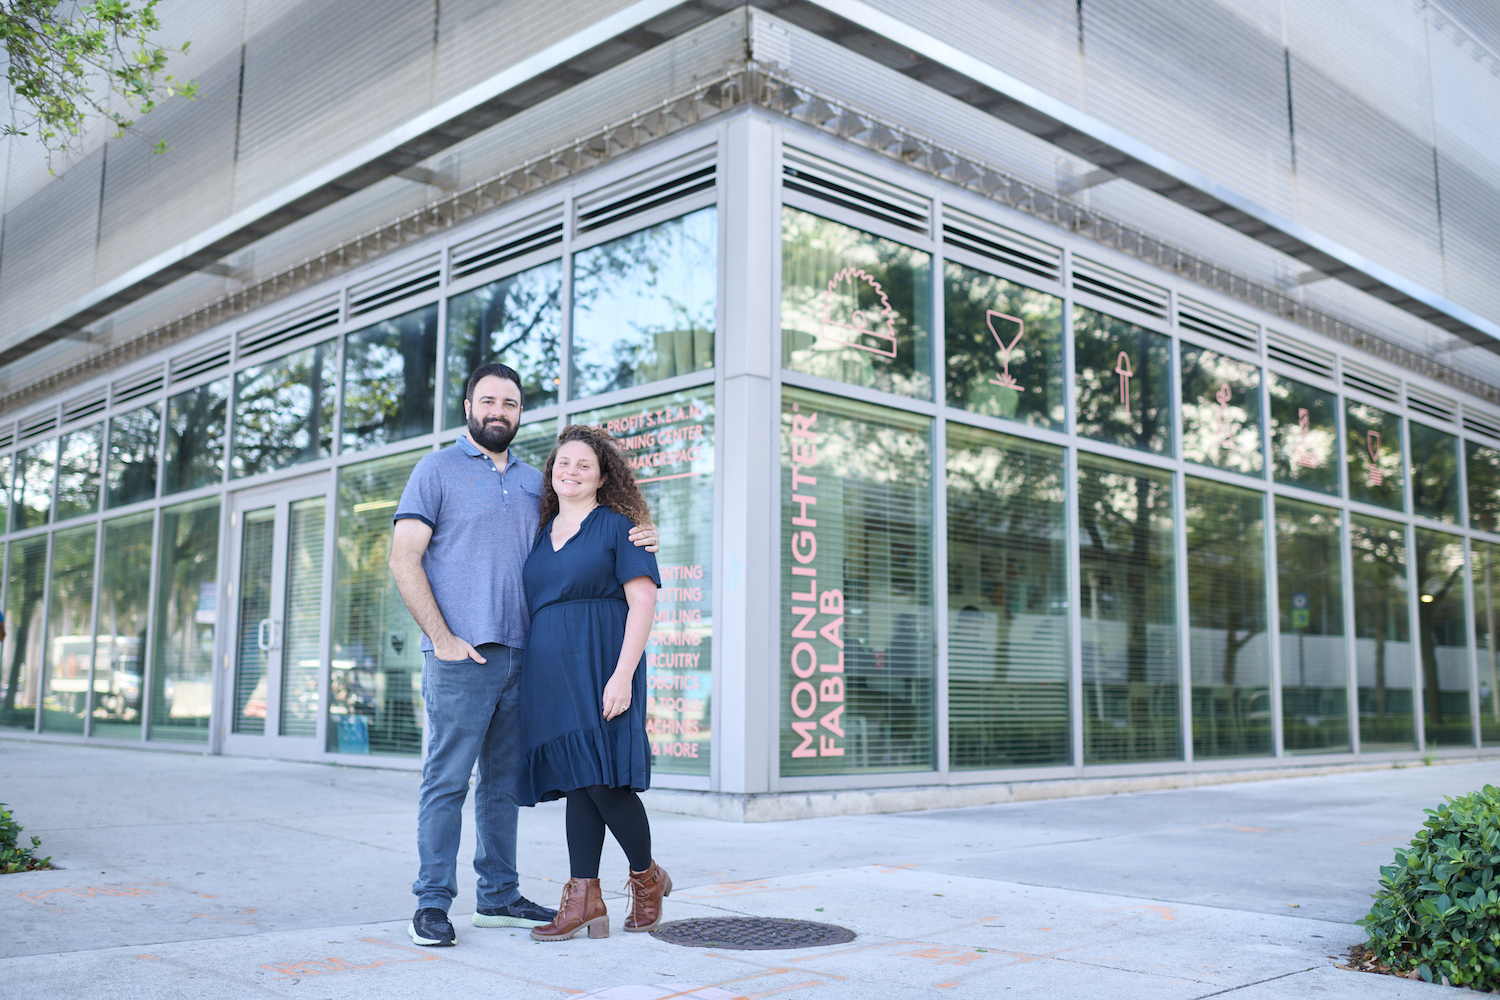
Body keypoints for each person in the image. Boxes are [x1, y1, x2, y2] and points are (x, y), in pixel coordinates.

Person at [389, 364, 658, 948]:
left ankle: (498, 893)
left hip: (530, 662)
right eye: (488, 400)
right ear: (467, 407)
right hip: (463, 655)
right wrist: (441, 637)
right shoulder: (435, 470)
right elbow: (403, 557)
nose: (498, 411)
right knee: (447, 781)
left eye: (510, 403)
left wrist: (642, 531)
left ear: (518, 414)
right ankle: (433, 901)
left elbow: (588, 528)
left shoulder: (538, 483)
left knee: (502, 785)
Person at [515, 425, 668, 942]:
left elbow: (643, 603)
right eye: (563, 463)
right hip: (551, 674)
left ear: (603, 477)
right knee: (580, 778)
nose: (571, 471)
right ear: (551, 473)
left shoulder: (620, 527)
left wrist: (622, 675)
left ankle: (647, 878)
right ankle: (585, 897)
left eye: (584, 465)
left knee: (604, 779)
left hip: (604, 663)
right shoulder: (539, 533)